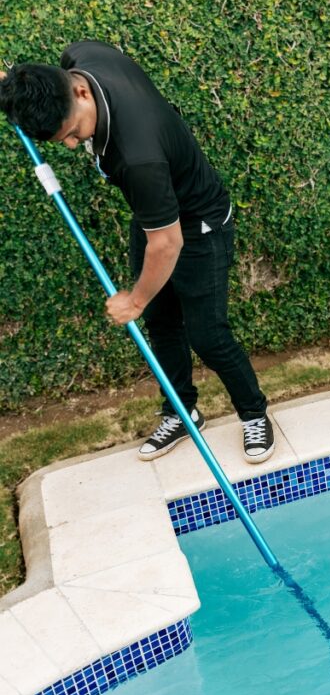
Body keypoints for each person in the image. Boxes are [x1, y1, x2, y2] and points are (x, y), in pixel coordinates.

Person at [0, 41, 275, 463]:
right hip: (155, 216)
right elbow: (33, 82)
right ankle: (182, 413)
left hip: (197, 225)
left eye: (74, 132)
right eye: (63, 140)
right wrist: (11, 88)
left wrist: (134, 299)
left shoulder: (137, 156)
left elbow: (168, 244)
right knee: (163, 324)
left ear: (83, 94)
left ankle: (254, 413)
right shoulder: (82, 58)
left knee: (208, 334)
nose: (73, 145)